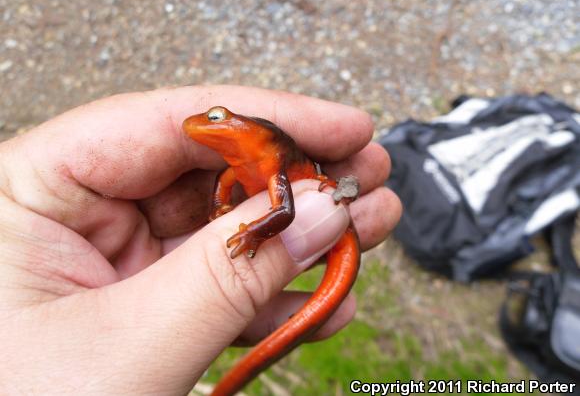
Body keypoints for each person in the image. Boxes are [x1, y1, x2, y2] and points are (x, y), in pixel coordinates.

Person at [0, 85, 401, 393]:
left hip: (327, 209)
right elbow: (223, 184)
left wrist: (252, 235)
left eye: (217, 117)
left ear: (263, 133)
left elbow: (286, 212)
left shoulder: (275, 158)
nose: (206, 124)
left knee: (321, 283)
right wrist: (219, 204)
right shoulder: (239, 162)